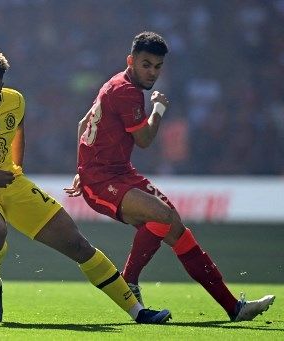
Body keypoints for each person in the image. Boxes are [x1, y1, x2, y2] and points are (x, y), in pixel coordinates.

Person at [0, 48, 171, 324]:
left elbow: (17, 129)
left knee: (78, 244)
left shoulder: (15, 101)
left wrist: (16, 169)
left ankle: (137, 311)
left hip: (9, 182)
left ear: (0, 87)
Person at [65, 31, 275, 322]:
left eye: (157, 66)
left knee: (175, 227)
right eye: (146, 64)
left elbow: (82, 124)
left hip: (119, 173)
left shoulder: (118, 83)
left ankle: (234, 308)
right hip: (102, 180)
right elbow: (145, 140)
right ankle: (129, 281)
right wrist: (160, 109)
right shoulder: (126, 91)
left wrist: (80, 167)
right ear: (131, 61)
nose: (152, 72)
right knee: (162, 216)